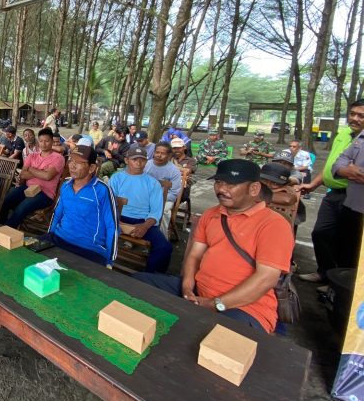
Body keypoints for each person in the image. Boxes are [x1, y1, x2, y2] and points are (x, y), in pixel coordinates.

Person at [133, 159, 294, 334]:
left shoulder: (273, 224)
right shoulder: (211, 215)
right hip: (199, 291)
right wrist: (187, 288)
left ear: (254, 189)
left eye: (231, 184)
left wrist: (216, 303)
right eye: (219, 182)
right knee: (136, 283)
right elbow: (194, 256)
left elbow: (266, 278)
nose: (222, 189)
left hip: (245, 307)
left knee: (203, 336)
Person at [298, 99, 364, 283]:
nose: (355, 118)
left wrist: (345, 170)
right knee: (320, 233)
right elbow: (333, 165)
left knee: (347, 243)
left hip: (353, 197)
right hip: (332, 194)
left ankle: (340, 283)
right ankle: (324, 272)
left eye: (361, 116)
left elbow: (352, 172)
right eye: (352, 114)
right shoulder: (343, 134)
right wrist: (313, 184)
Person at [42, 146, 119, 267]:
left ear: (92, 168)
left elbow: (112, 226)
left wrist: (110, 260)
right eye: (71, 160)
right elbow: (57, 214)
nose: (72, 166)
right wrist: (49, 237)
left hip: (88, 249)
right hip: (59, 239)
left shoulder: (102, 190)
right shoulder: (66, 185)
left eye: (78, 163)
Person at [109, 147, 172, 273]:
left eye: (142, 160)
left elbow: (156, 212)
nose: (138, 163)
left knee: (164, 247)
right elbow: (108, 204)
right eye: (134, 160)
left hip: (142, 221)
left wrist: (144, 226)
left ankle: (150, 278)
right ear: (127, 160)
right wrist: (117, 222)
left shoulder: (152, 183)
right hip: (117, 217)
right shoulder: (116, 178)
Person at [0, 128, 65, 228]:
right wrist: (42, 172)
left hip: (45, 194)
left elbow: (47, 176)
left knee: (22, 208)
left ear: (52, 142)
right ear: (38, 141)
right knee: (6, 199)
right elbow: (23, 174)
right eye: (41, 141)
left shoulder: (58, 158)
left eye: (46, 141)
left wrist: (31, 169)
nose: (43, 144)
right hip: (28, 188)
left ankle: (6, 231)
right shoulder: (32, 155)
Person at [330, 125, 364, 270]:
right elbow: (340, 161)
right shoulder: (361, 137)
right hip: (351, 205)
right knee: (346, 250)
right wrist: (346, 170)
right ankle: (341, 288)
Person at [143, 141, 181, 236]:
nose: (159, 155)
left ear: (169, 155)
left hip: (165, 199)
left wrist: (157, 199)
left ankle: (160, 237)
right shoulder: (146, 165)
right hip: (145, 196)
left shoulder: (174, 170)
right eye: (157, 152)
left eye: (163, 153)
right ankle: (134, 234)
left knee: (164, 211)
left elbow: (174, 193)